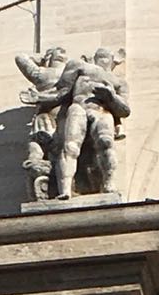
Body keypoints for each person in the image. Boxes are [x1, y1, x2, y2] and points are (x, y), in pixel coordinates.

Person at [38, 48, 131, 200]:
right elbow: (62, 92)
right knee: (70, 146)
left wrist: (111, 97)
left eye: (107, 57)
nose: (104, 59)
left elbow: (125, 110)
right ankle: (65, 189)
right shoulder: (79, 66)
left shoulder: (119, 82)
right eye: (101, 56)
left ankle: (108, 184)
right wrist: (40, 98)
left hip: (101, 111)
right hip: (78, 107)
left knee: (106, 142)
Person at [15, 46, 67, 201]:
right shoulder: (72, 75)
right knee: (62, 152)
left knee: (36, 147)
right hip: (64, 119)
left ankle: (37, 168)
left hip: (46, 118)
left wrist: (41, 60)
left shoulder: (44, 74)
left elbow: (20, 57)